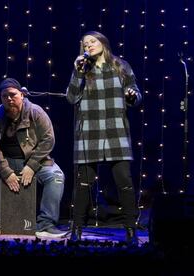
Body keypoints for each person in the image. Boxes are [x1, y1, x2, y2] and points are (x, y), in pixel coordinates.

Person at [66, 31, 142, 245]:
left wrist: (132, 95)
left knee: (124, 182)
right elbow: (71, 98)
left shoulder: (120, 66)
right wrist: (77, 73)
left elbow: (136, 93)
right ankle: (77, 230)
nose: (88, 45)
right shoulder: (83, 68)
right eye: (85, 43)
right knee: (83, 184)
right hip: (88, 132)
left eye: (92, 41)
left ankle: (130, 230)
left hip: (115, 130)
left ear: (103, 43)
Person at [0, 78, 66, 238]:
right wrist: (6, 172)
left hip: (32, 159)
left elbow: (48, 140)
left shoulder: (36, 112)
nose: (9, 99)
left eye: (13, 95)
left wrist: (32, 166)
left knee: (56, 176)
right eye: (4, 96)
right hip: (2, 161)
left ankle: (46, 225)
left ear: (22, 95)